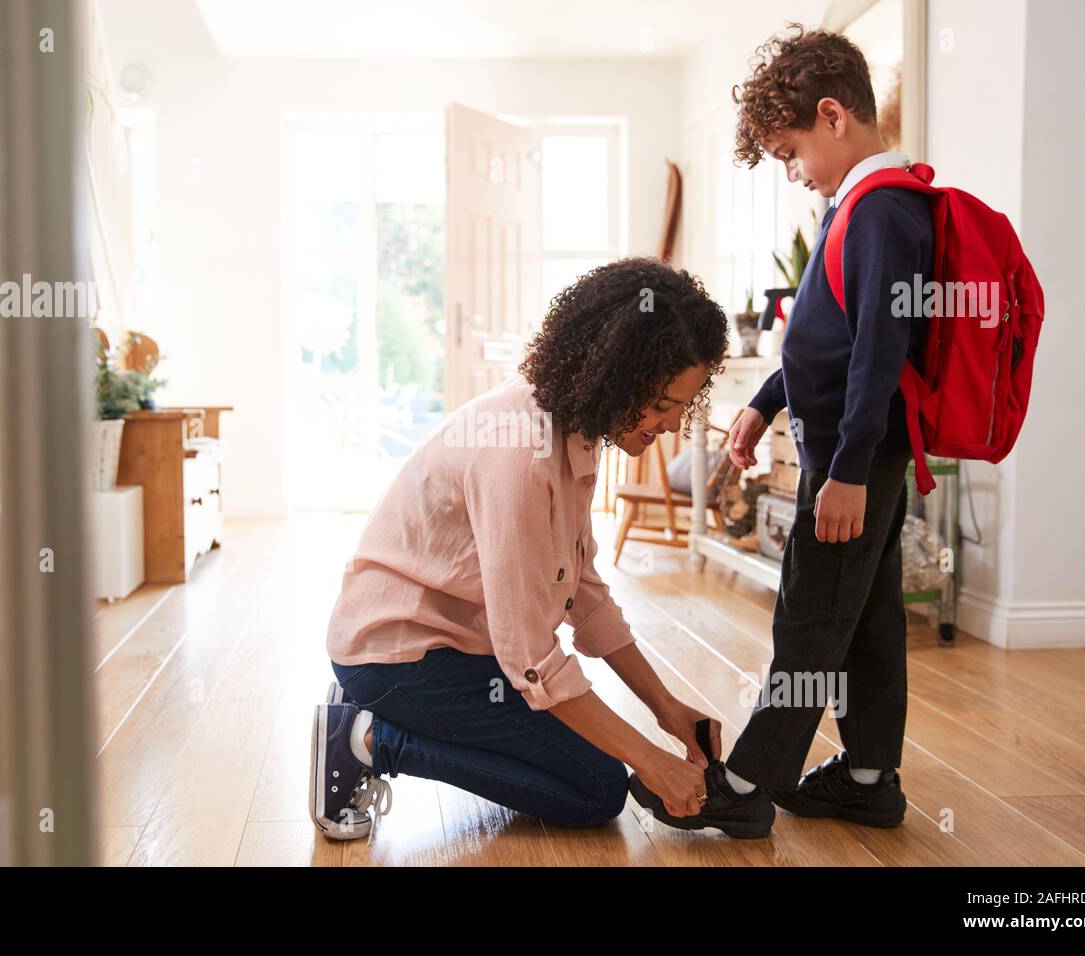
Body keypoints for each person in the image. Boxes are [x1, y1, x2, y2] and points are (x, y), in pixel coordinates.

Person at [310, 257, 773, 841]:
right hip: (398, 657)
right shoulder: (520, 455)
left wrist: (665, 707)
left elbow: (583, 588)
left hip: (459, 645)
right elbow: (530, 659)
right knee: (597, 789)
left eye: (681, 406)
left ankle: (378, 728)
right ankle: (366, 740)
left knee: (590, 766)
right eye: (660, 405)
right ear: (616, 376)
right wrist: (651, 762)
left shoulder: (577, 424)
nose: (671, 425)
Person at [632, 23, 932, 832]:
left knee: (808, 619)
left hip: (850, 460)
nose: (796, 174)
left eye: (793, 152)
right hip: (853, 454)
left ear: (834, 115)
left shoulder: (880, 211)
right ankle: (868, 776)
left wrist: (847, 470)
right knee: (863, 616)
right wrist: (766, 401)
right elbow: (825, 334)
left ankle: (747, 786)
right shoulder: (859, 208)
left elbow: (879, 346)